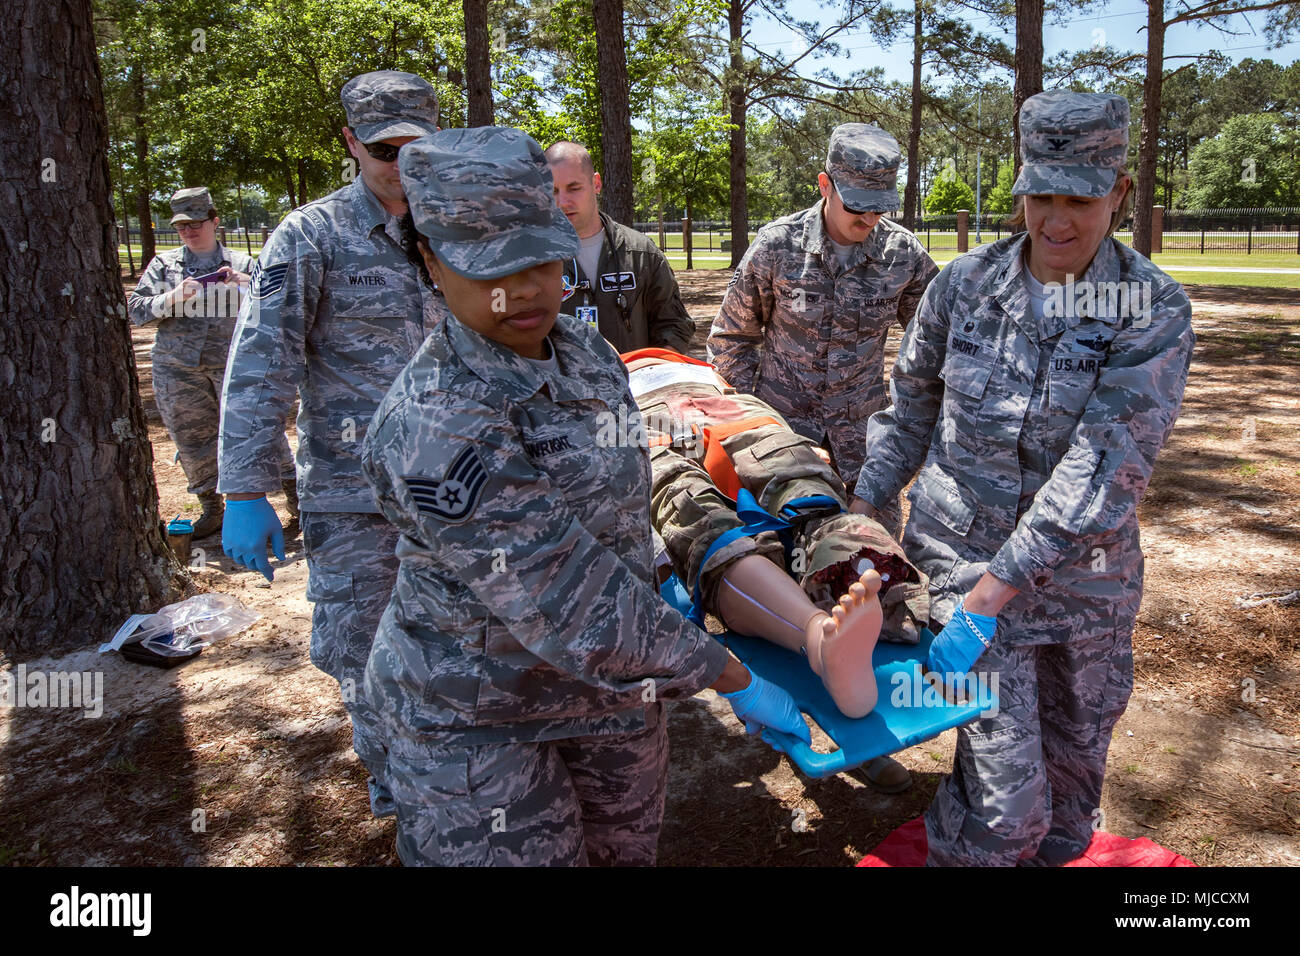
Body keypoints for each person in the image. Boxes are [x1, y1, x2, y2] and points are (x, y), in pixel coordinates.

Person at [361, 126, 816, 867]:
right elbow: (561, 592)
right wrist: (733, 679)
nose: (527, 290)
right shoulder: (433, 425)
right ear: (428, 260)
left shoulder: (584, 354)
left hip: (614, 699)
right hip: (479, 717)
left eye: (543, 258)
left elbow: (623, 489)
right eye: (490, 272)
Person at [852, 91, 1195, 866]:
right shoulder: (964, 284)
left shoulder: (1149, 308)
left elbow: (1106, 466)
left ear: (1120, 194)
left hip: (1083, 594)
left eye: (1079, 198)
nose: (1058, 221)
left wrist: (995, 592)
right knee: (1005, 812)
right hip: (964, 572)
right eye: (1041, 196)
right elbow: (910, 409)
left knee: (1070, 815)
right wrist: (867, 506)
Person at [218, 70, 443, 819]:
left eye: (419, 148)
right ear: (350, 142)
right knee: (367, 652)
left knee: (459, 646)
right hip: (356, 498)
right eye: (384, 148)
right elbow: (261, 362)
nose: (402, 164)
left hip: (462, 488)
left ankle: (459, 786)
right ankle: (400, 796)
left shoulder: (463, 226)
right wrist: (245, 488)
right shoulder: (309, 236)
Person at [625, 348, 931, 722]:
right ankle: (864, 592)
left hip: (666, 413)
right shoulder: (653, 363)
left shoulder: (586, 363)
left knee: (697, 513)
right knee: (803, 494)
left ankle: (821, 633)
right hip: (725, 411)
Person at [707, 124, 938, 532]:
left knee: (875, 563)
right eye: (858, 205)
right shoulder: (777, 246)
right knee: (783, 562)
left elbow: (935, 348)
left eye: (880, 206)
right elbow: (730, 342)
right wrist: (760, 429)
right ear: (825, 185)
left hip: (863, 453)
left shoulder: (902, 255)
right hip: (782, 446)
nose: (870, 218)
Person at [126, 187, 296, 539]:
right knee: (193, 440)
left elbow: (279, 304)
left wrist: (249, 286)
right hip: (178, 369)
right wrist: (172, 297)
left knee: (263, 432)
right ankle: (211, 509)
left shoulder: (244, 264)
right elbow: (135, 312)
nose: (189, 230)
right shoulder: (164, 265)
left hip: (238, 367)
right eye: (182, 225)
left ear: (214, 221)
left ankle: (296, 502)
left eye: (196, 223)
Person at [545, 141, 695, 354]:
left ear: (596, 183)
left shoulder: (641, 253)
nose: (563, 201)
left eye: (574, 188)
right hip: (564, 386)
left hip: (632, 383)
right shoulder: (533, 259)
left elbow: (674, 325)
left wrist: (652, 368)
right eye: (553, 191)